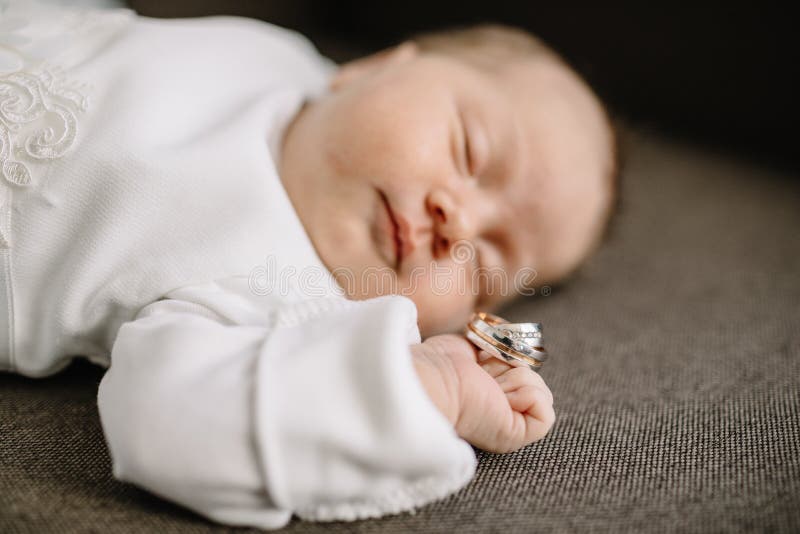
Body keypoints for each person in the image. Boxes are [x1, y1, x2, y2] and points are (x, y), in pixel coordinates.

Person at [0, 1, 617, 529]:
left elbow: (180, 424)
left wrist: (427, 387)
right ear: (377, 67)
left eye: (483, 264)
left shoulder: (293, 306)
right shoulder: (288, 64)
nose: (456, 221)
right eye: (468, 149)